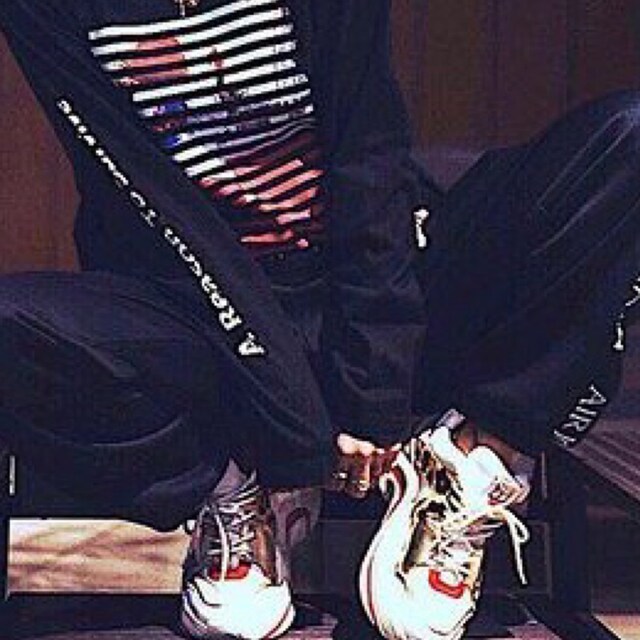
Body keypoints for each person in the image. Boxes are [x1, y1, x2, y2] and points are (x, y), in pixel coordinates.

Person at [0, 0, 639, 639]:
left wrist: (375, 388)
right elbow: (161, 211)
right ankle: (236, 490)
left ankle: (471, 458)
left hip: (376, 284)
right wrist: (290, 430)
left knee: (627, 141)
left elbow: (370, 163)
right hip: (194, 310)